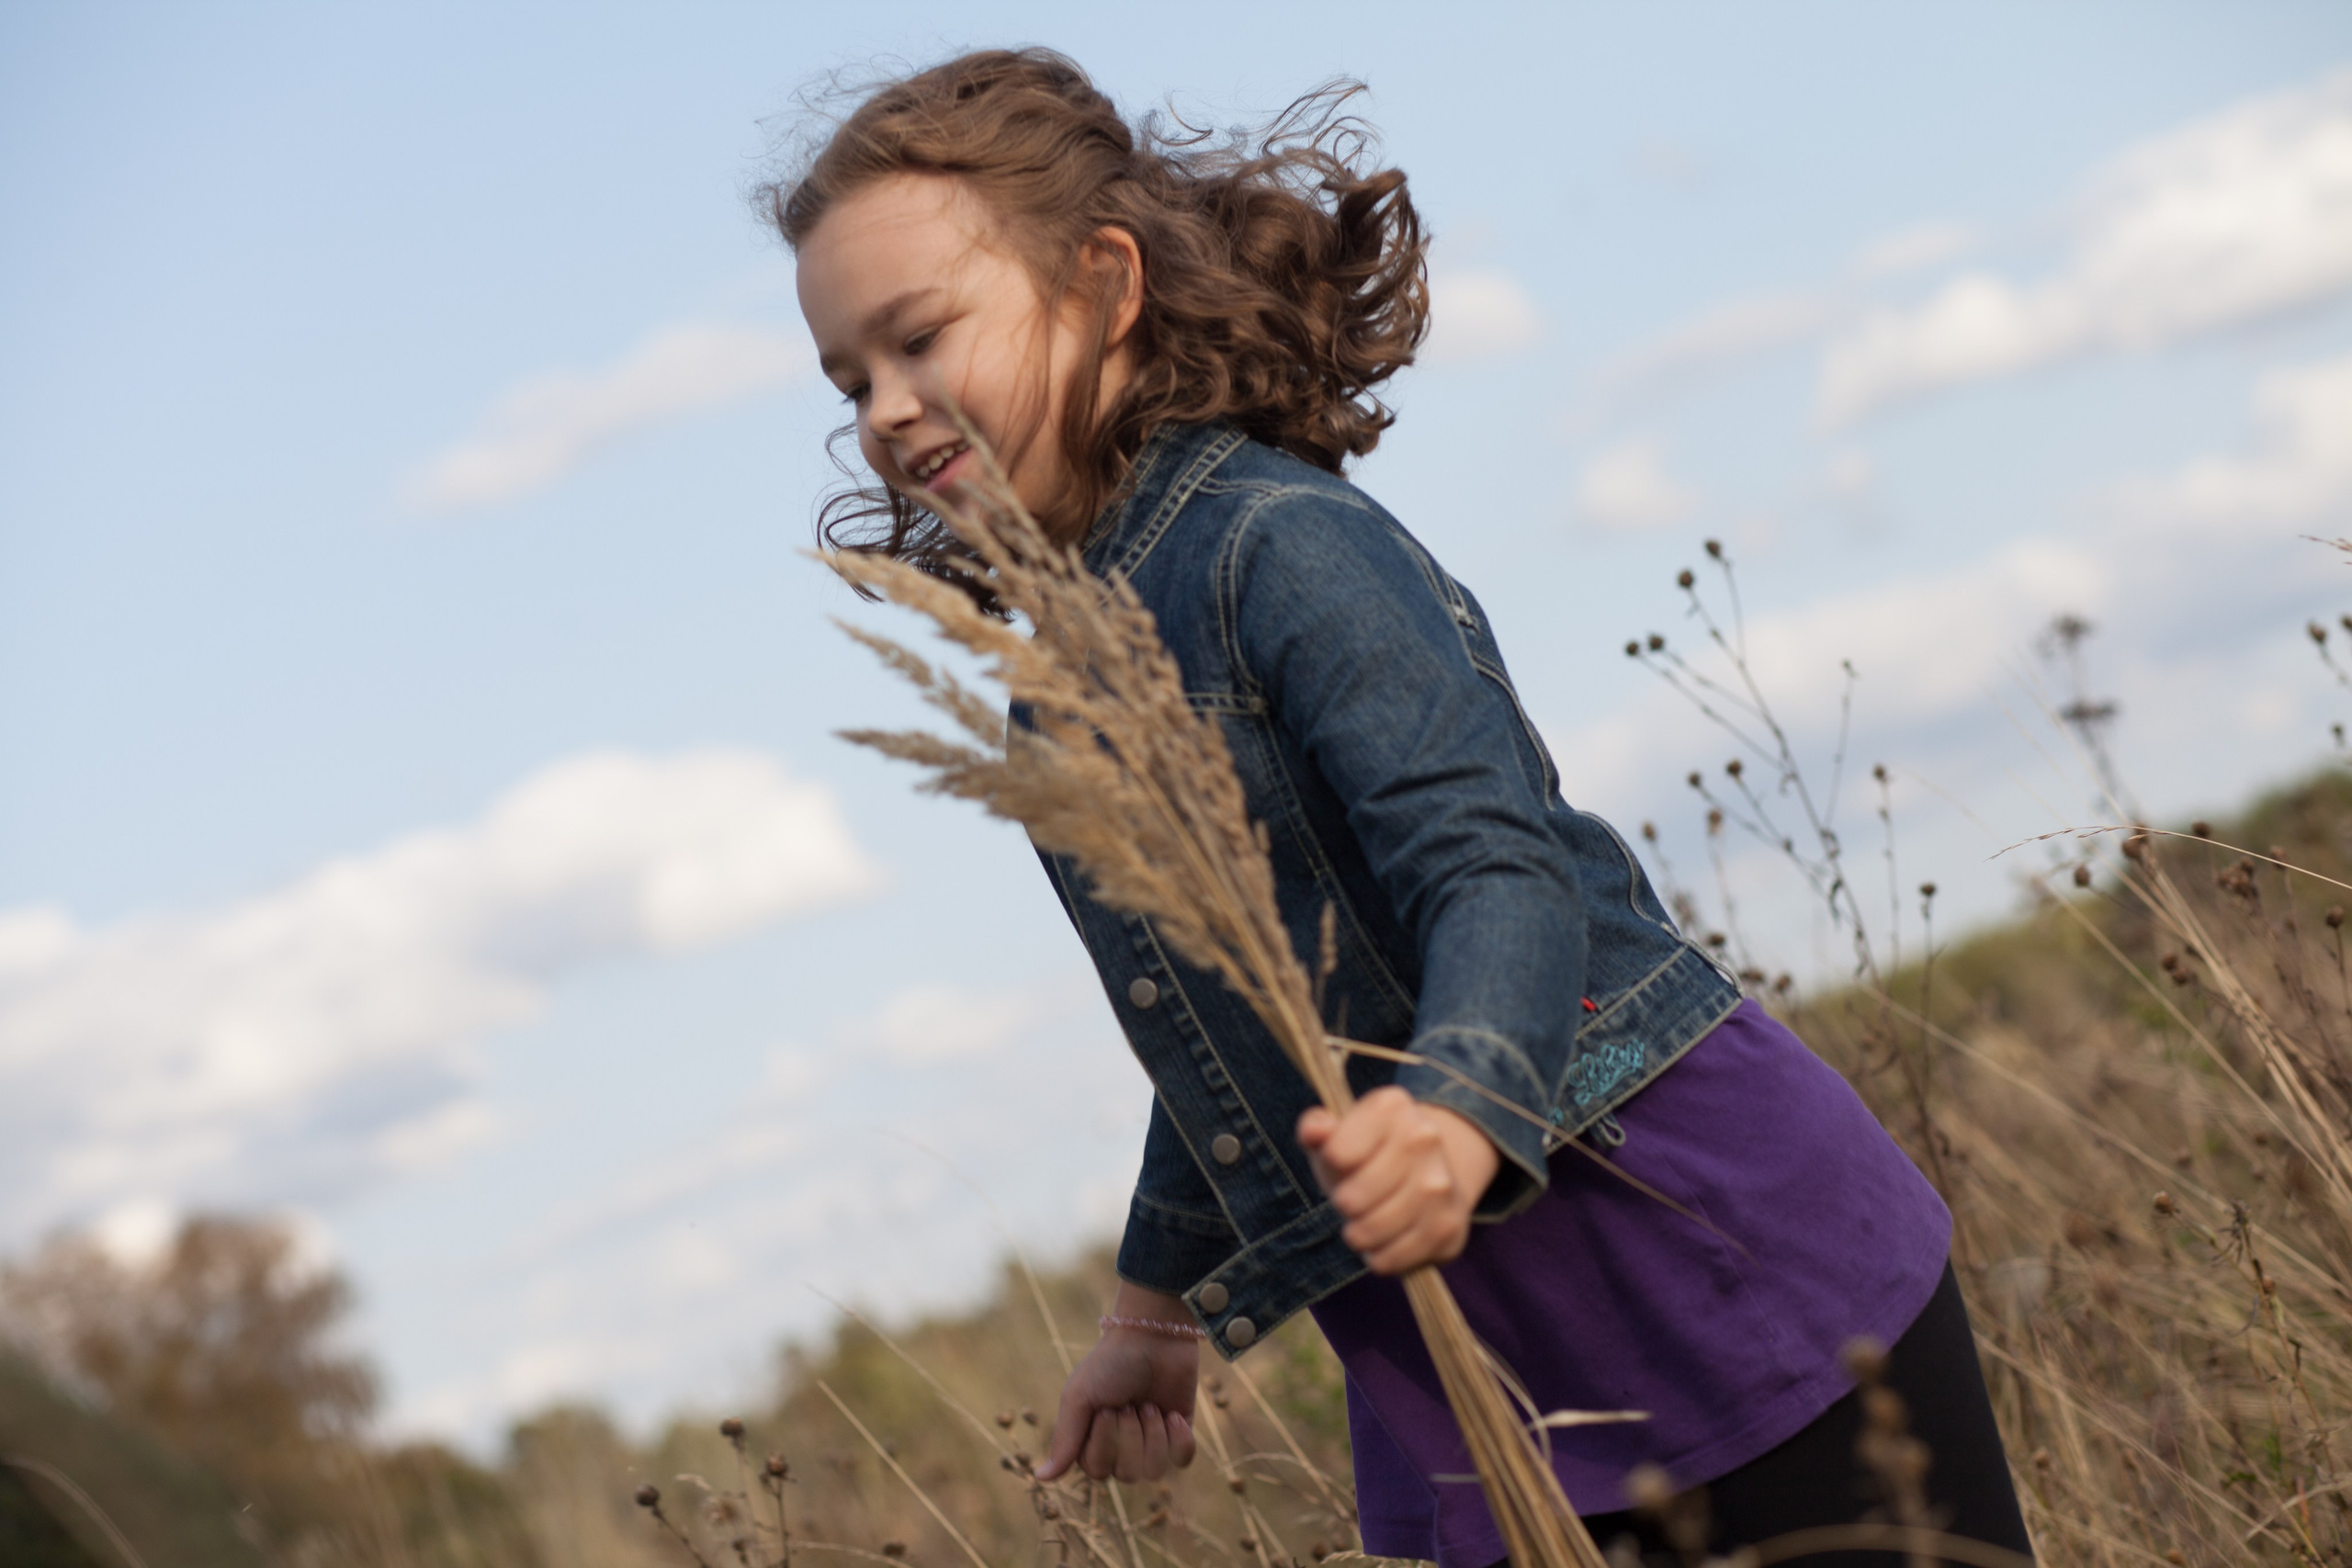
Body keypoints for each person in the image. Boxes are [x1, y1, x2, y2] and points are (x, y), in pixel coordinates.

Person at [776, 49, 2033, 1567]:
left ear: (1105, 285)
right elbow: (1230, 1010)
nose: (889, 411)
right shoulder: (1061, 677)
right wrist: (1154, 1307)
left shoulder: (1277, 546)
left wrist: (1454, 1119)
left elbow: (1493, 870)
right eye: (854, 379)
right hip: (1461, 1339)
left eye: (919, 339)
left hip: (1693, 1252)